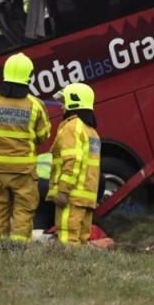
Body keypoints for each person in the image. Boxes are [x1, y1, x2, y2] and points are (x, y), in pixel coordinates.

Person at [0, 52, 50, 241]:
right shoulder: (36, 106)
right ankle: (18, 250)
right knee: (24, 211)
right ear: (29, 76)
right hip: (23, 172)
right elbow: (42, 137)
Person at [47, 82, 101, 245]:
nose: (62, 107)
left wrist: (63, 190)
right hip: (87, 197)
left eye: (64, 102)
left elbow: (72, 161)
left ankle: (67, 271)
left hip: (72, 196)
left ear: (74, 102)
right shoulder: (91, 131)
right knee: (82, 240)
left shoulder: (71, 127)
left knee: (67, 239)